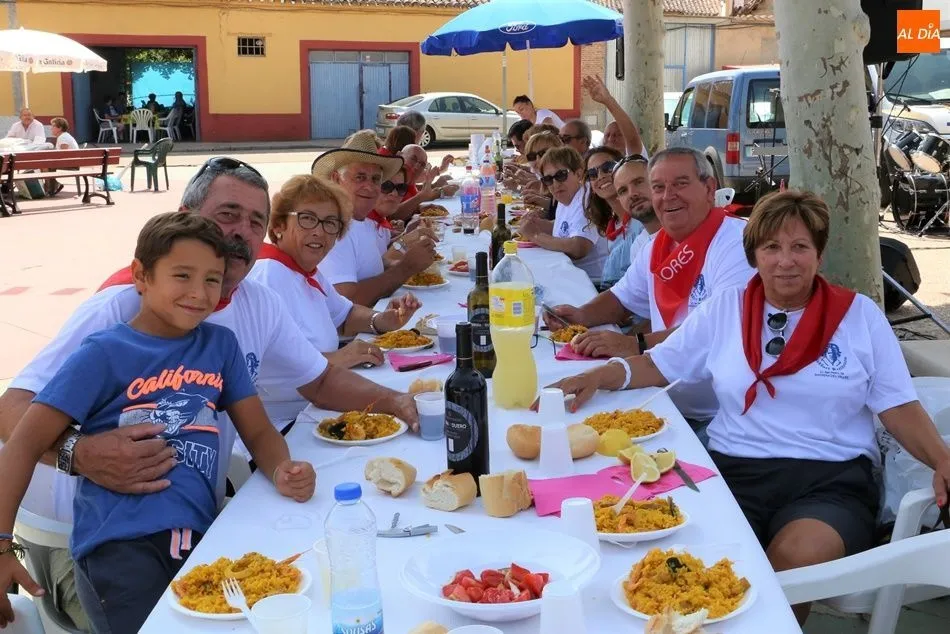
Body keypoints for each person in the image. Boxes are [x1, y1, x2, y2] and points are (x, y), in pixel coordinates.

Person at [0, 156, 418, 630]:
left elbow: (317, 380)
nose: (240, 232)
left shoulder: (245, 311)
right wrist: (80, 453)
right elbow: (11, 412)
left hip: (187, 523)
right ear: (185, 216)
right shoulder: (118, 312)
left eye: (255, 221)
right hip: (75, 541)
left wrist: (399, 402)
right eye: (227, 214)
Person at [549, 190, 950, 625]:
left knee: (794, 558)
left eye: (800, 247)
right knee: (680, 560)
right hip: (733, 470)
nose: (786, 260)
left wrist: (943, 460)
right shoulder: (727, 306)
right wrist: (597, 376)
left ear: (819, 253)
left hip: (830, 479)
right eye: (772, 247)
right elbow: (659, 364)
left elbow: (897, 405)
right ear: (755, 253)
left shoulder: (860, 316)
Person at [0, 212, 318, 633]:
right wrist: (2, 546)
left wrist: (282, 468)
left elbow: (257, 429)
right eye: (182, 275)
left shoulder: (220, 346)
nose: (199, 293)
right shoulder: (104, 353)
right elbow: (22, 443)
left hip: (203, 538)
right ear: (141, 276)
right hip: (120, 548)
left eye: (212, 279)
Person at [544, 148, 755, 438]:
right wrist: (580, 315)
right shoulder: (659, 245)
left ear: (709, 189)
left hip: (719, 420)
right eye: (658, 187)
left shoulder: (737, 244)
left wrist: (635, 344)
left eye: (680, 183)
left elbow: (712, 333)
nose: (668, 196)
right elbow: (621, 299)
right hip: (664, 400)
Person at [247, 175, 420, 428]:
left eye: (330, 223)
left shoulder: (305, 271)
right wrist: (339, 357)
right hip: (287, 424)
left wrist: (382, 320)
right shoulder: (268, 276)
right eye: (307, 219)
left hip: (318, 409)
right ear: (278, 226)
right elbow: (274, 371)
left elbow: (345, 315)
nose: (319, 231)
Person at [314, 131, 438, 307]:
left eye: (376, 179)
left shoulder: (363, 222)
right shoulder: (332, 228)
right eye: (360, 177)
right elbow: (346, 301)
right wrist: (406, 266)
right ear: (336, 179)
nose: (370, 186)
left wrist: (405, 251)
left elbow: (368, 268)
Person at [518, 146, 608, 285]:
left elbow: (579, 247)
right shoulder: (567, 195)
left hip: (592, 284)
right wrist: (538, 224)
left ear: (578, 174)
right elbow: (566, 227)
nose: (555, 184)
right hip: (570, 275)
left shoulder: (586, 198)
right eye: (548, 179)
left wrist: (536, 236)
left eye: (561, 175)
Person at [582, 147, 645, 289]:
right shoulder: (613, 223)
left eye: (607, 167)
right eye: (592, 174)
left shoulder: (643, 220)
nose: (600, 176)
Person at [583, 75, 644, 156]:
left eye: (618, 135)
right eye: (607, 135)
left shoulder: (634, 159)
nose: (611, 139)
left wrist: (607, 100)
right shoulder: (593, 160)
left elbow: (632, 139)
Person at [44, 117, 80, 197]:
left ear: (59, 128)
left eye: (53, 126)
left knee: (46, 165)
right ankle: (52, 186)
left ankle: (51, 188)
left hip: (71, 163)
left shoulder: (63, 137)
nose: (51, 128)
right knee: (47, 164)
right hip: (74, 161)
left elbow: (63, 154)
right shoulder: (65, 136)